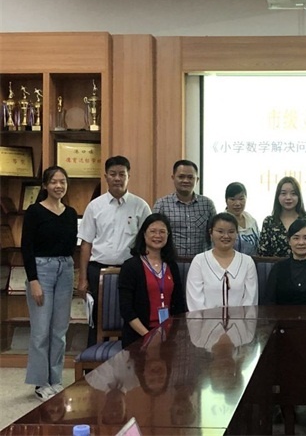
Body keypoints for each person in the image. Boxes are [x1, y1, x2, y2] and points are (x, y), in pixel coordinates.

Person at [78, 155, 152, 347]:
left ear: (129, 176)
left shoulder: (140, 206)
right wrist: (83, 278)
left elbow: (149, 242)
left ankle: (126, 359)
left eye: (122, 174)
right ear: (106, 177)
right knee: (97, 318)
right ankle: (94, 362)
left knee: (129, 316)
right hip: (98, 269)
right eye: (113, 174)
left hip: (130, 270)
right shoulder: (95, 206)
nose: (117, 178)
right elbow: (86, 244)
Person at [21, 166, 77, 401]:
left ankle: (55, 379)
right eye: (53, 181)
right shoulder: (34, 211)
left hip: (66, 270)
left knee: (59, 331)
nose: (58, 186)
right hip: (41, 270)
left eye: (62, 181)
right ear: (45, 185)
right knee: (41, 330)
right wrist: (33, 280)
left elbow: (71, 246)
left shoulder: (71, 213)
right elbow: (27, 247)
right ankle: (40, 382)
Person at [118, 213, 187, 348]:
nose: (157, 235)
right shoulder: (131, 266)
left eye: (162, 232)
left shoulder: (172, 266)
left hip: (168, 336)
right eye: (153, 231)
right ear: (144, 234)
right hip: (138, 337)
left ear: (168, 235)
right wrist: (148, 336)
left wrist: (171, 334)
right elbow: (126, 309)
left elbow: (179, 304)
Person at [187, 213, 258, 311]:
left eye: (231, 232)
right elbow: (195, 301)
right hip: (205, 320)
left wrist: (241, 319)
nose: (226, 236)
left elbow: (251, 299)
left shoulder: (247, 262)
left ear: (237, 233)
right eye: (220, 231)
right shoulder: (199, 261)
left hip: (240, 320)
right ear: (211, 233)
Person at [153, 160, 216, 258]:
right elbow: (154, 236)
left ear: (197, 180)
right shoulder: (161, 204)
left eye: (190, 177)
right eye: (181, 177)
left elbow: (214, 234)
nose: (186, 181)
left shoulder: (207, 204)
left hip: (201, 262)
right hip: (170, 262)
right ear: (173, 178)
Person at [265, 219, 306, 305]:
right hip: (282, 314)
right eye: (296, 238)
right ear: (289, 241)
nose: (301, 242)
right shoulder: (278, 268)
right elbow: (269, 301)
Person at [258, 176, 306, 257]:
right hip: (274, 265)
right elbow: (262, 253)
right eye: (283, 193)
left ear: (299, 197)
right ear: (278, 196)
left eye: (293, 194)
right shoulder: (269, 222)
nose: (288, 197)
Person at [224, 182, 260, 256]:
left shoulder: (251, 220)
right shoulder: (222, 222)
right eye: (232, 199)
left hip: (253, 262)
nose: (237, 203)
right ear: (226, 201)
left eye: (241, 199)